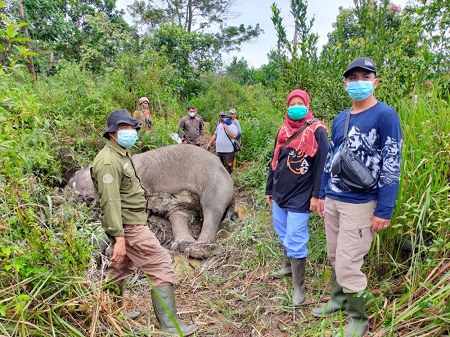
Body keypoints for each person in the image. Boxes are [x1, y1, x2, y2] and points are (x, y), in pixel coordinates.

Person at [312, 57, 402, 337]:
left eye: (365, 77)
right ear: (345, 84)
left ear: (375, 82)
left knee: (349, 262)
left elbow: (392, 162)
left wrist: (384, 209)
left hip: (362, 204)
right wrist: (322, 194)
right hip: (335, 200)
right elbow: (331, 160)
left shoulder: (385, 115)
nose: (358, 82)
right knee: (335, 254)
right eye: (353, 78)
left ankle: (358, 318)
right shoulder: (341, 118)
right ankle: (338, 300)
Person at [90, 109, 198, 336]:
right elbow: (110, 202)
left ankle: (112, 312)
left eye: (131, 127)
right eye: (123, 128)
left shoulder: (121, 153)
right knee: (161, 265)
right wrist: (119, 238)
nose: (130, 131)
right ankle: (170, 327)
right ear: (112, 133)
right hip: (129, 227)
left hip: (130, 224)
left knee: (120, 268)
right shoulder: (108, 162)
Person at [265, 89, 328, 306]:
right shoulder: (282, 130)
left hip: (301, 195)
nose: (297, 106)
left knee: (296, 238)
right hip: (280, 191)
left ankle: (299, 287)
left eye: (301, 103)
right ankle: (286, 266)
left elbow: (322, 166)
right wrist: (269, 189)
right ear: (287, 107)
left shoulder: (317, 130)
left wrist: (317, 195)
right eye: (293, 103)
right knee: (282, 231)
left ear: (308, 106)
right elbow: (274, 160)